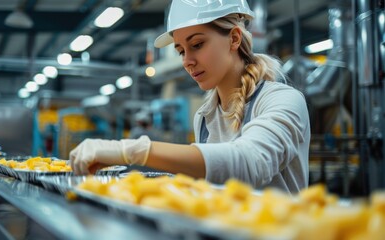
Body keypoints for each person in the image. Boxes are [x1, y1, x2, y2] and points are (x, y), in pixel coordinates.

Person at [70, 0, 310, 193]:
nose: (187, 61)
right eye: (181, 50)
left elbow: (249, 163)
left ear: (234, 38)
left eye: (197, 44)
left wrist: (134, 150)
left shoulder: (282, 100)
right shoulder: (205, 117)